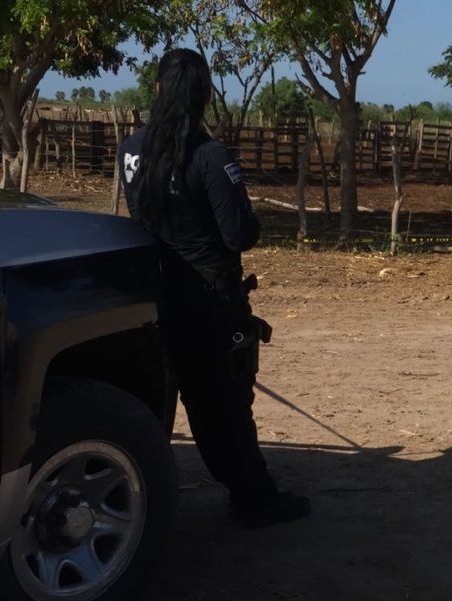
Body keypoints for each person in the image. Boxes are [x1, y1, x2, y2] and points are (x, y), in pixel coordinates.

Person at [120, 49, 310, 528]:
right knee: (226, 401)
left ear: (158, 89)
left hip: (155, 294)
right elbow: (239, 234)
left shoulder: (130, 150)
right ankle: (254, 498)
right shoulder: (210, 156)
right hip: (210, 300)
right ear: (205, 95)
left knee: (187, 396)